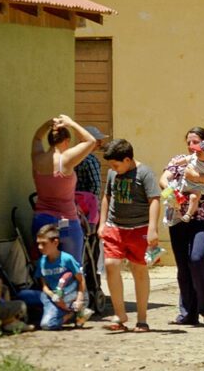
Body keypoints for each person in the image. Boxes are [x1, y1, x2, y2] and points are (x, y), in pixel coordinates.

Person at [159, 127, 204, 326]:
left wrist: (194, 176)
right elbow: (164, 178)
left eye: (195, 142)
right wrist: (170, 190)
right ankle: (188, 313)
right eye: (188, 142)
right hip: (178, 217)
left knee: (197, 258)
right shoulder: (179, 159)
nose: (191, 146)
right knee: (183, 266)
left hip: (203, 216)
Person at [99, 138, 160, 332]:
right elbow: (107, 197)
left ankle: (142, 319)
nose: (114, 169)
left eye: (116, 165)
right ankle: (120, 314)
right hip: (115, 228)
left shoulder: (145, 173)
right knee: (110, 265)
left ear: (127, 160)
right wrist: (102, 224)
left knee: (139, 271)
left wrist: (152, 228)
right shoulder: (112, 174)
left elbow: (155, 200)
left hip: (139, 229)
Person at [30, 115, 98, 263]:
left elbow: (36, 138)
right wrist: (71, 123)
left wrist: (48, 123)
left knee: (46, 268)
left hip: (42, 220)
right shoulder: (66, 159)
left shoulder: (37, 158)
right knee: (72, 267)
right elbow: (91, 141)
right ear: (66, 142)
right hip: (66, 221)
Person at [33, 224, 93, 330]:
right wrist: (54, 297)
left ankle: (72, 314)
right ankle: (60, 312)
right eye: (38, 244)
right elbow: (44, 286)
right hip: (53, 296)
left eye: (44, 244)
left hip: (70, 295)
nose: (40, 247)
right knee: (23, 295)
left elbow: (81, 280)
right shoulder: (41, 262)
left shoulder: (67, 259)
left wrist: (79, 300)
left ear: (55, 242)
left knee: (47, 325)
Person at [74, 125, 108, 198]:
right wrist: (93, 204)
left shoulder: (72, 155)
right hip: (86, 203)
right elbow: (96, 186)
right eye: (98, 140)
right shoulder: (91, 160)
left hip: (72, 201)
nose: (100, 143)